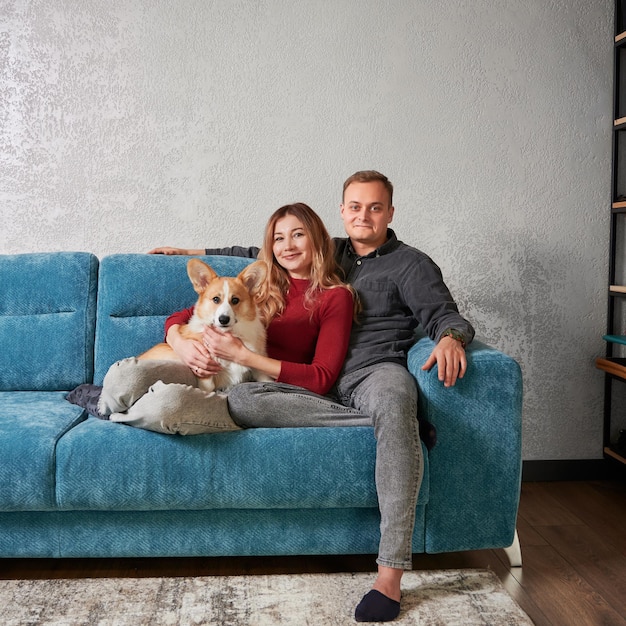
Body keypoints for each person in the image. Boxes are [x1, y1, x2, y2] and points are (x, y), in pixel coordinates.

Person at [150, 170, 475, 623]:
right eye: (355, 207)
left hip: (372, 370)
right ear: (341, 212)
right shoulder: (329, 250)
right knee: (245, 399)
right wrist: (191, 254)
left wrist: (451, 338)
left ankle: (389, 575)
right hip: (311, 382)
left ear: (390, 213)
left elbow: (444, 314)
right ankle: (398, 427)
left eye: (375, 207)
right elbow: (256, 258)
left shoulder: (411, 264)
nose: (364, 215)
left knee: (394, 400)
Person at [97, 203, 356, 433]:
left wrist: (242, 356)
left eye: (298, 235)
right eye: (278, 238)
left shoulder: (334, 298)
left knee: (167, 403)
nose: (287, 246)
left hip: (255, 393)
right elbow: (187, 315)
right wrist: (181, 344)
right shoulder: (257, 285)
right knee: (124, 376)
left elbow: (321, 377)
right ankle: (110, 409)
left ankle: (126, 415)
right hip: (203, 370)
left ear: (318, 239)